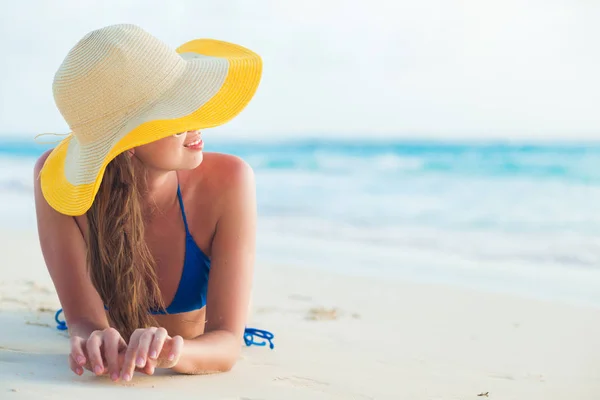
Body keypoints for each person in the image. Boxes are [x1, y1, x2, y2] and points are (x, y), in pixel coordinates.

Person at [33, 23, 266, 382]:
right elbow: (82, 322)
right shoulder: (58, 182)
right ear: (127, 140)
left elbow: (227, 342)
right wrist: (93, 339)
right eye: (177, 113)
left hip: (193, 347)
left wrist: (172, 351)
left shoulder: (229, 182)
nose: (197, 122)